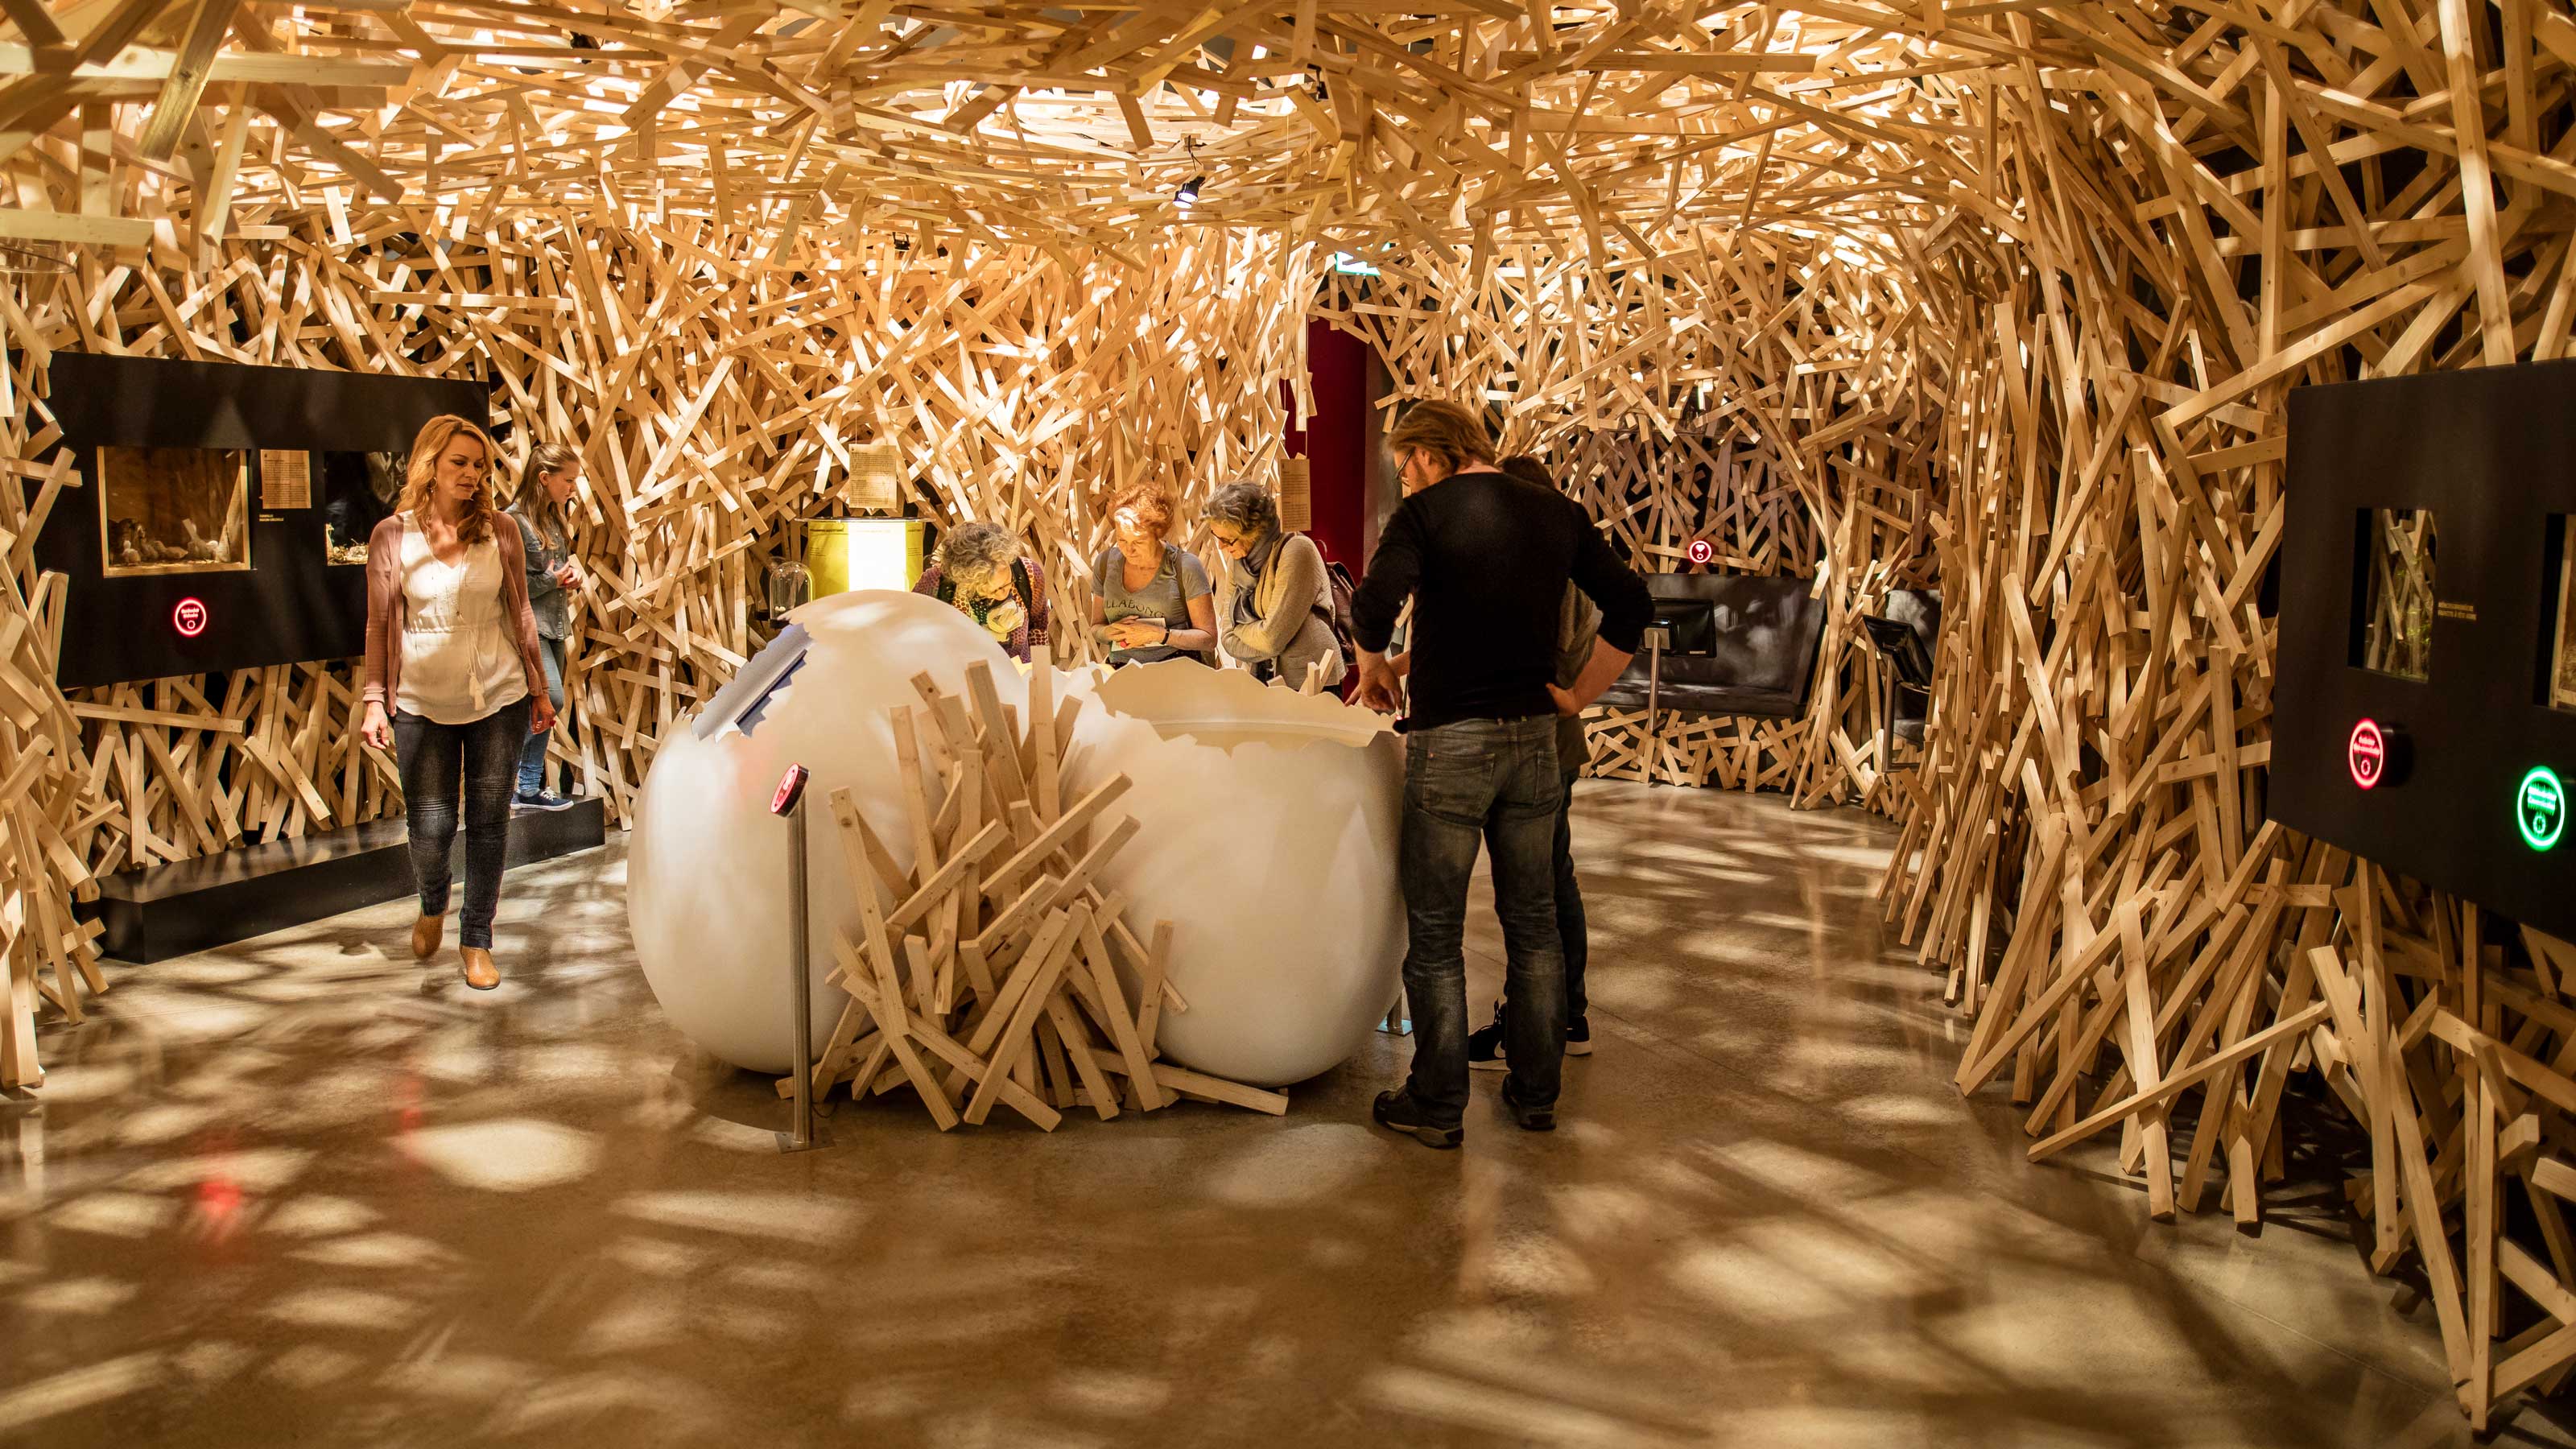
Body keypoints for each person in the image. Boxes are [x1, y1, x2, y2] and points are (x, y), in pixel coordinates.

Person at [1349, 402, 1649, 1148]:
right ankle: (1537, 1092)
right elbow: (1633, 605)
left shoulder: (1424, 515)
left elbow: (1373, 605)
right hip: (1536, 744)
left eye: (1404, 463)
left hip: (1451, 742)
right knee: (1536, 923)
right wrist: (1578, 696)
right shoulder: (1557, 513)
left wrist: (1374, 666)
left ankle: (1439, 1100)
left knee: (1438, 930)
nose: (1405, 477)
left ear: (1427, 453)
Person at [358, 415, 555, 993]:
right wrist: (375, 700)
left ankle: (477, 938)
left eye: (479, 465)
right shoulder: (391, 536)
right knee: (430, 826)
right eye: (460, 464)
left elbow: (520, 614)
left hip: (499, 696)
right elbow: (377, 625)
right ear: (430, 466)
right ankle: (432, 900)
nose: (472, 475)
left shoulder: (502, 531)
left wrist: (539, 690)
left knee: (490, 822)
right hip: (421, 699)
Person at [1468, 455, 1600, 1072]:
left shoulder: (1542, 570)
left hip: (1530, 743)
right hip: (1556, 741)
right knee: (1551, 881)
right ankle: (1563, 1015)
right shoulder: (1573, 564)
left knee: (1532, 895)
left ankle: (1534, 1025)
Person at [1206, 480, 1344, 691]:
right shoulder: (1240, 561)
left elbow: (1271, 640)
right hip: (1262, 675)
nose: (1221, 546)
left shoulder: (1296, 551)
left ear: (1253, 530)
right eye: (1216, 536)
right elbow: (1227, 637)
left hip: (1312, 679)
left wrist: (1242, 629)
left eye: (1228, 539)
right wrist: (1262, 637)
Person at [510, 443, 583, 811]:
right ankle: (511, 780)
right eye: (568, 480)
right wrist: (554, 581)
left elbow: (554, 570)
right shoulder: (513, 521)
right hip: (529, 627)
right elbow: (513, 584)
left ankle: (526, 786)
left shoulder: (554, 518)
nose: (573, 488)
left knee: (549, 706)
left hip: (554, 624)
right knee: (549, 698)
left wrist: (569, 578)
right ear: (544, 478)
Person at [1089, 484, 1216, 666]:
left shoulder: (1185, 566)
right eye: (1122, 540)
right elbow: (1096, 627)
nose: (1129, 549)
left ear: (1158, 533)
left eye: (1139, 541)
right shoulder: (1104, 564)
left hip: (1176, 671)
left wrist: (1159, 635)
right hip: (1122, 670)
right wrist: (1109, 632)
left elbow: (1208, 638)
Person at [914, 522, 1051, 663]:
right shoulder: (936, 582)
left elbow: (1038, 626)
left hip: (1017, 675)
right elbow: (911, 631)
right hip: (958, 676)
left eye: (1006, 584)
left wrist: (1040, 672)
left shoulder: (1029, 574)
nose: (1001, 595)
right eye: (990, 591)